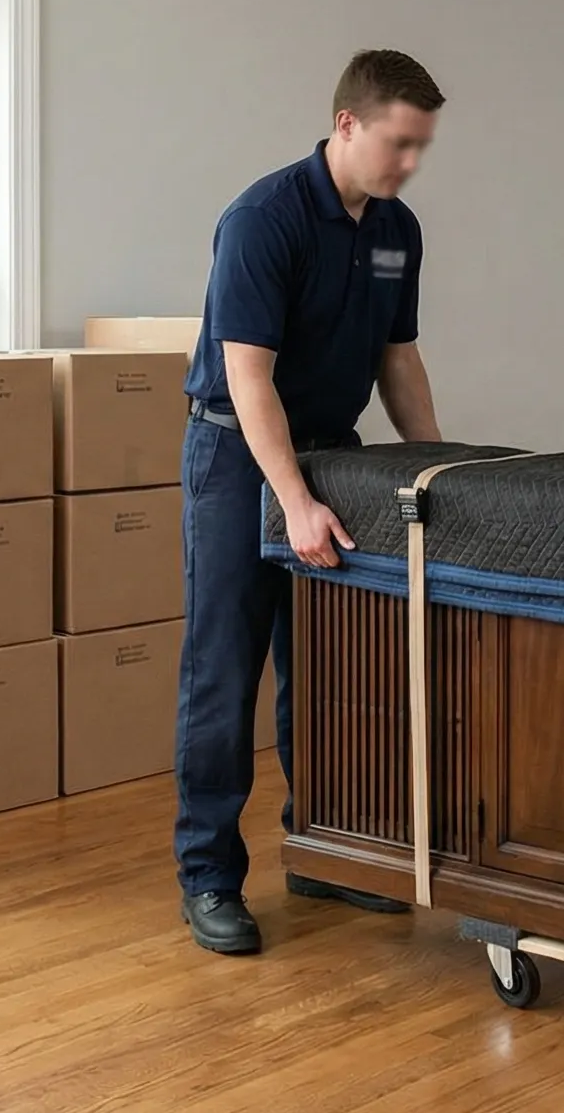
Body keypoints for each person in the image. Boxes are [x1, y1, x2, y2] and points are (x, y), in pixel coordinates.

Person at [172, 49, 448, 956]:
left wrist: (435, 471)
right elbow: (249, 379)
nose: (408, 163)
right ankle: (210, 876)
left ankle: (322, 851)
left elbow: (397, 359)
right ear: (347, 125)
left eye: (421, 147)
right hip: (237, 455)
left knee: (326, 667)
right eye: (398, 143)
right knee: (225, 669)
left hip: (339, 456)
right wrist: (290, 498)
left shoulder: (397, 230)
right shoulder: (263, 218)